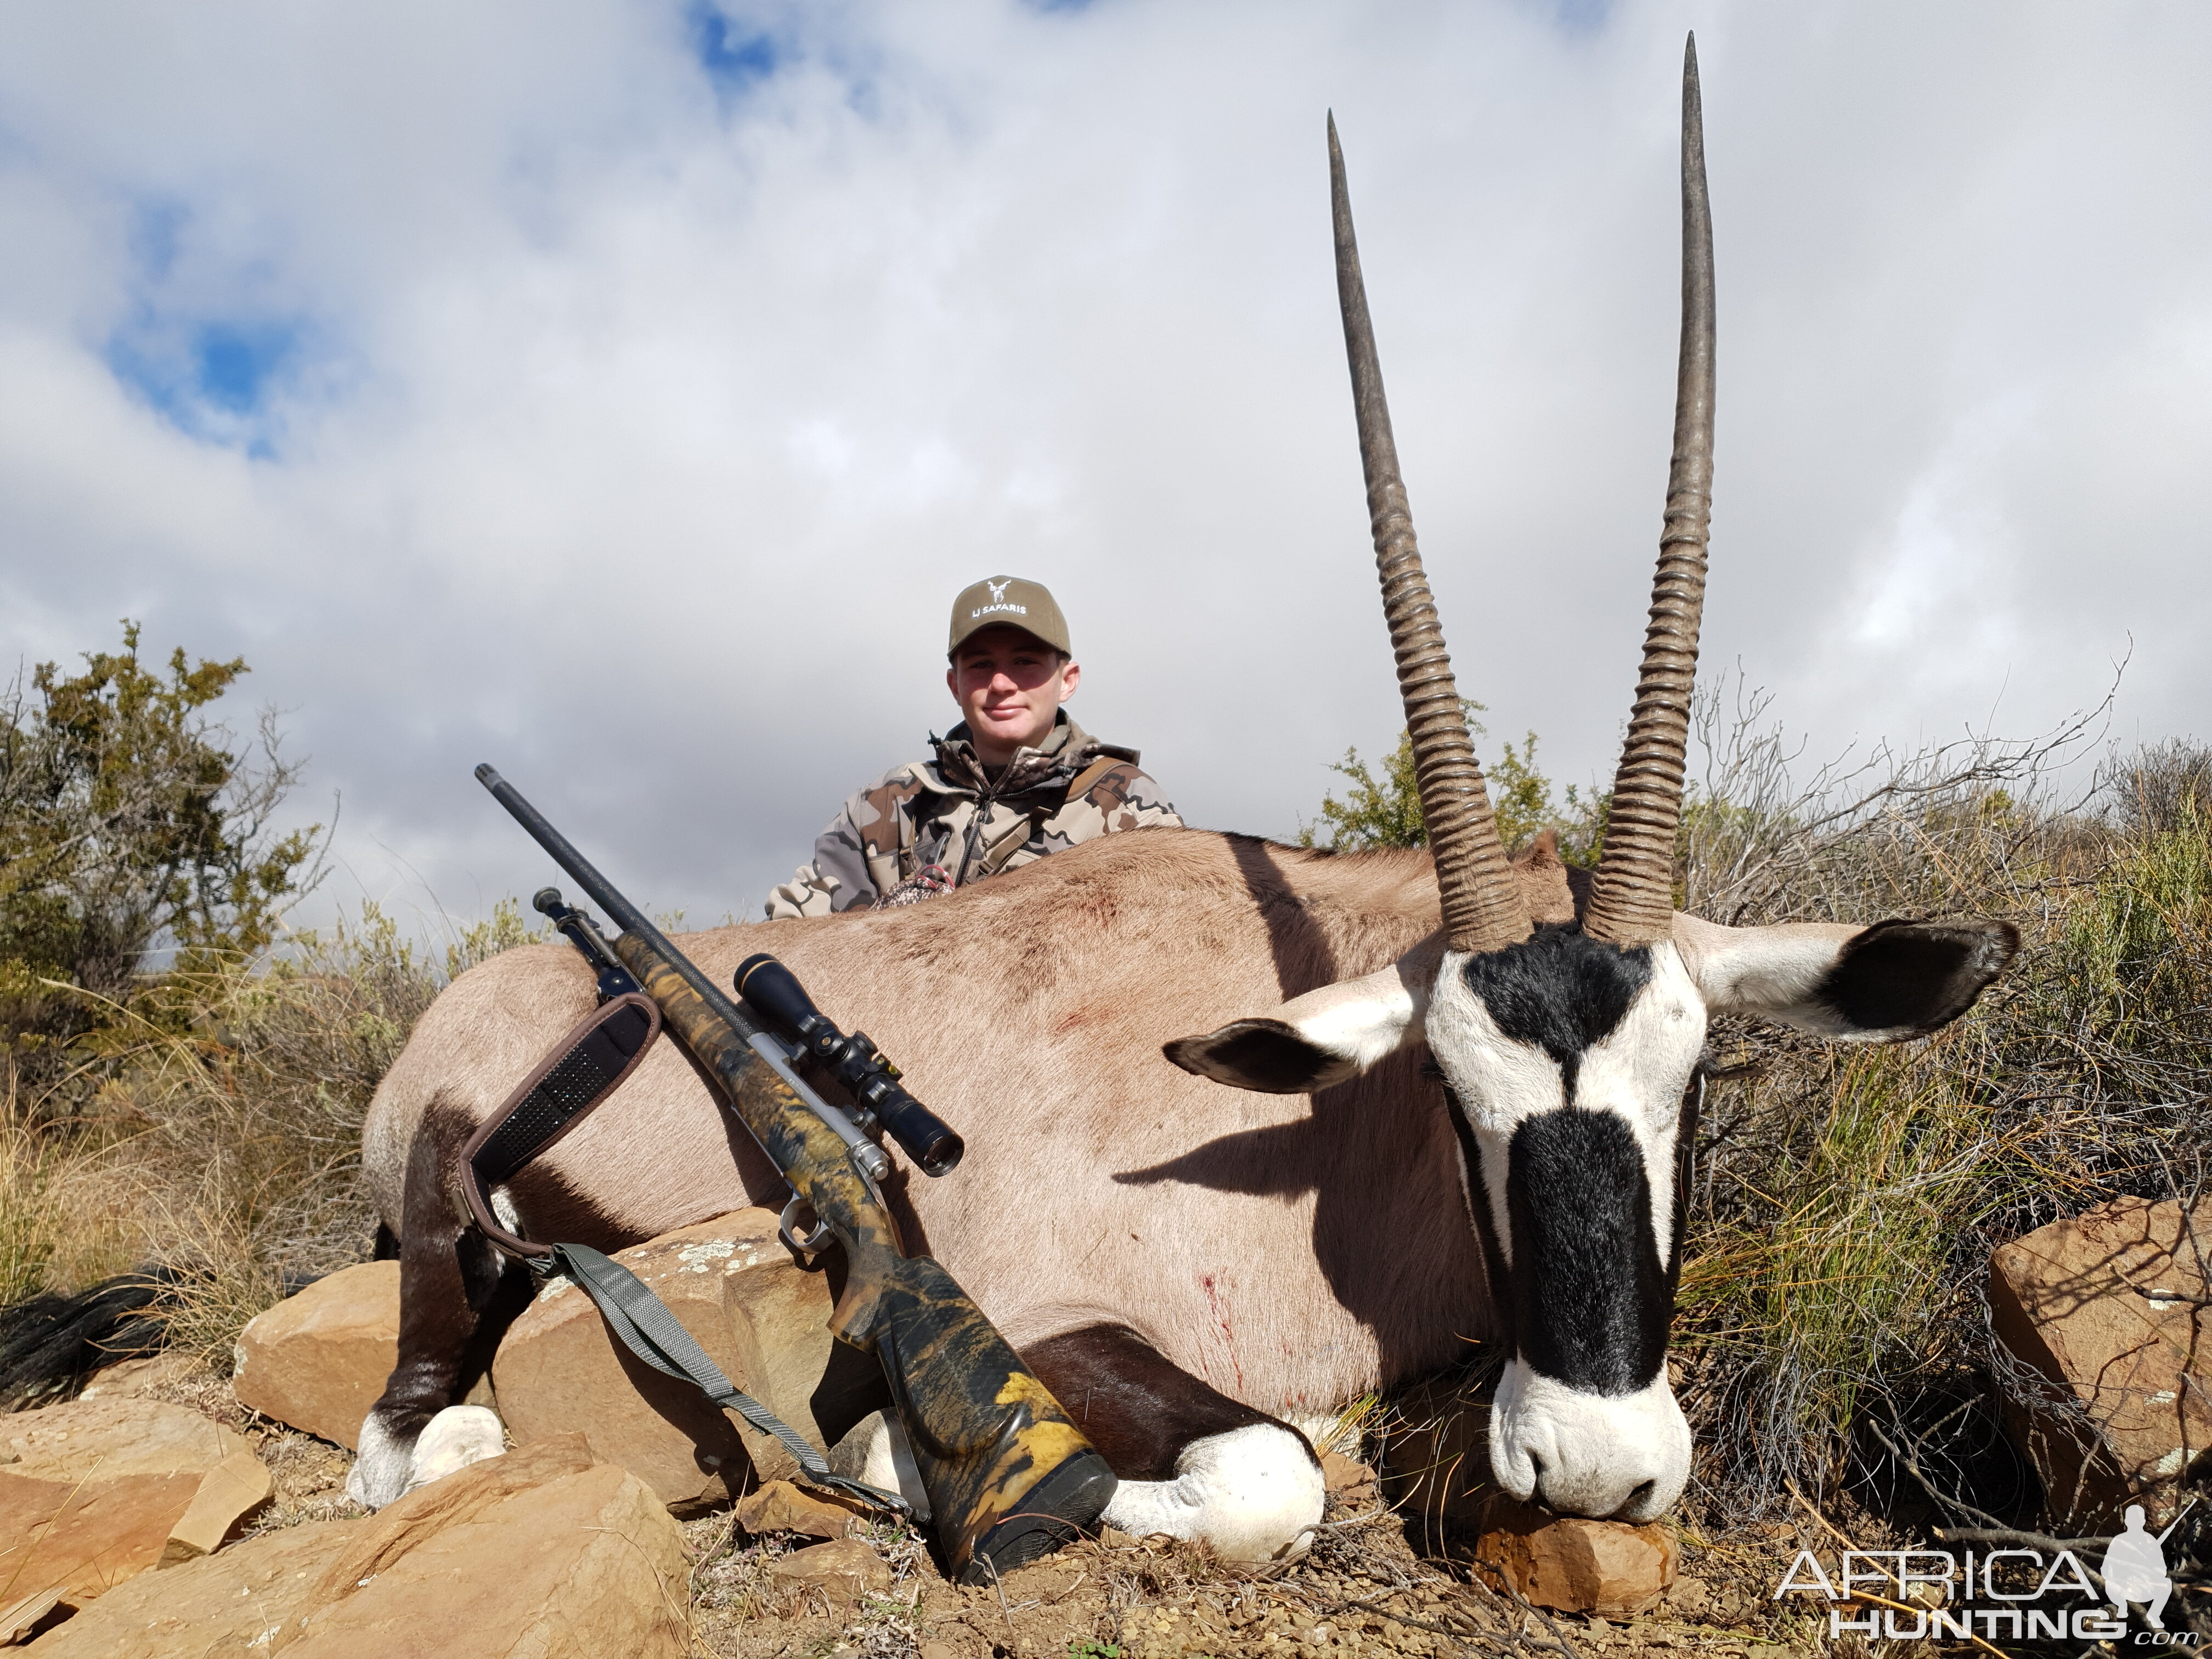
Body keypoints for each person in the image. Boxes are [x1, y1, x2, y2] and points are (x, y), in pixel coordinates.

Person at [764, 576, 1182, 918]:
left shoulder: (1127, 804)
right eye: (981, 665)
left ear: (1067, 680)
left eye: (1025, 662)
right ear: (955, 685)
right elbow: (794, 933)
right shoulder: (886, 805)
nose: (1001, 684)